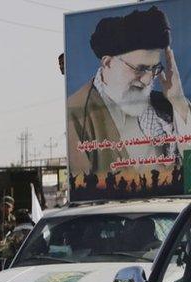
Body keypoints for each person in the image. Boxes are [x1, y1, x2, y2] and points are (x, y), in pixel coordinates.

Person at [68, 6, 191, 177]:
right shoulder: (76, 114)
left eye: (154, 68)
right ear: (108, 63)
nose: (148, 80)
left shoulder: (168, 106)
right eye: (140, 69)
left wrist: (178, 101)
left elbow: (189, 178)